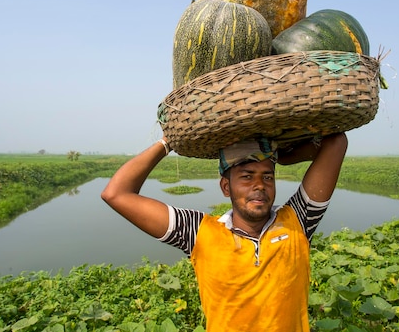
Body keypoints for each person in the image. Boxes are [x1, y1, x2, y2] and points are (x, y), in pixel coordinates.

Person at [101, 132, 348, 332]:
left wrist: (281, 157)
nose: (259, 185)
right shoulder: (199, 232)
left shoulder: (297, 222)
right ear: (225, 187)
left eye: (268, 177)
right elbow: (116, 193)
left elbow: (335, 142)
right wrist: (167, 142)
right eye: (247, 177)